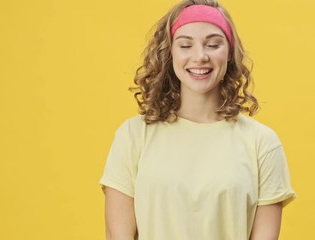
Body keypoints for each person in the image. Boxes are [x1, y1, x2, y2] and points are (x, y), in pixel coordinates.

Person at [99, 0, 296, 239]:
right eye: (185, 45)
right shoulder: (133, 136)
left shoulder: (262, 143)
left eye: (213, 44)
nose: (200, 56)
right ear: (169, 53)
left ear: (230, 53)